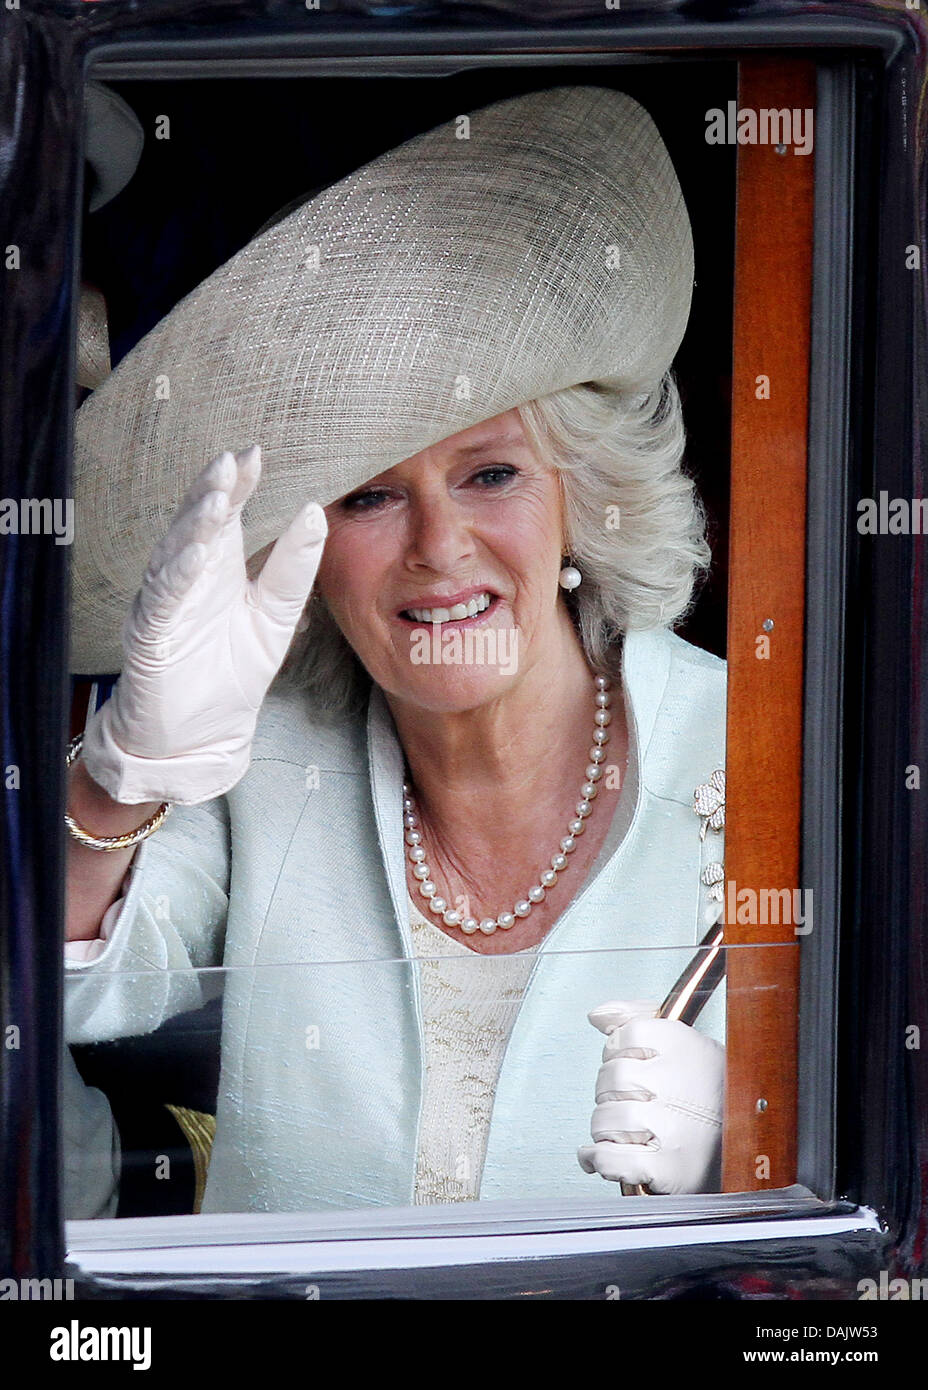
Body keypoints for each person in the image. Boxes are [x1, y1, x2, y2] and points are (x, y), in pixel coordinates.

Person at [62, 85, 727, 1217]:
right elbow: (54, 986)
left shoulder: (770, 752)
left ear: (585, 496)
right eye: (370, 496)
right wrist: (118, 777)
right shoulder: (263, 753)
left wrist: (758, 1140)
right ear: (304, 551)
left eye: (491, 473)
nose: (437, 548)